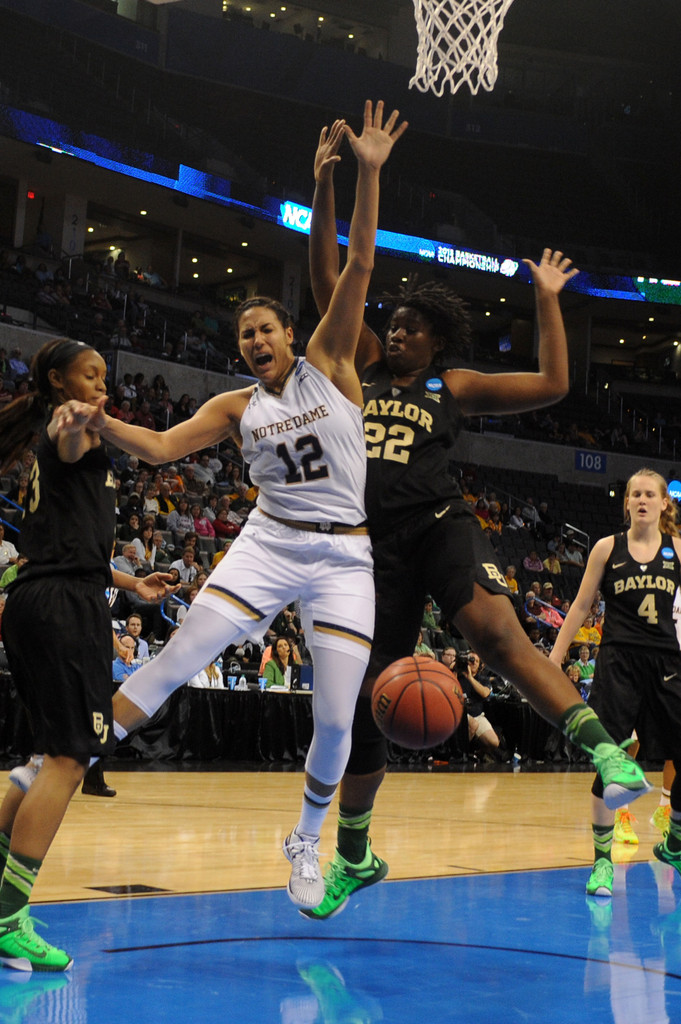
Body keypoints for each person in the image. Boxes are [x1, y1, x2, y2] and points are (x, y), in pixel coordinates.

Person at [302, 120, 652, 920]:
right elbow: (329, 275)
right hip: (366, 553)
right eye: (393, 322)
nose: (396, 330)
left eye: (413, 326)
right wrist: (333, 180)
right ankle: (353, 856)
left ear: (438, 338)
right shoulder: (353, 357)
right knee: (364, 712)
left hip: (436, 522)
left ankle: (601, 747)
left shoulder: (452, 386)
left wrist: (546, 299)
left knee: (498, 633)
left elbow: (555, 383)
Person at [62, 101, 407, 911]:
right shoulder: (233, 406)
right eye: (245, 334)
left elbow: (355, 268)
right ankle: (67, 755)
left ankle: (305, 841)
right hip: (269, 542)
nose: (255, 342)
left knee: (333, 721)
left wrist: (360, 171)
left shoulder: (332, 364)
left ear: (293, 335)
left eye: (265, 330)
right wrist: (100, 419)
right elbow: (156, 449)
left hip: (344, 556)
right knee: (179, 655)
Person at [0, 337, 178, 971]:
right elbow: (67, 437)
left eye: (106, 376)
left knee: (42, 761)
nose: (103, 385)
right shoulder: (69, 430)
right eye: (91, 376)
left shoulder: (79, 440)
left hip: (38, 597)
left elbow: (75, 540)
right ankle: (9, 918)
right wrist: (75, 420)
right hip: (61, 607)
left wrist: (130, 584)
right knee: (72, 762)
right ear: (58, 381)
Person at [549, 468, 681, 898]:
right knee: (611, 763)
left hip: (668, 663)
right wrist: (554, 656)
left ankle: (675, 842)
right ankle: (602, 864)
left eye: (649, 494)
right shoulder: (607, 548)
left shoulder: (679, 549)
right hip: (618, 661)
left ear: (664, 503)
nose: (642, 499)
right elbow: (582, 604)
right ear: (626, 503)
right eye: (634, 494)